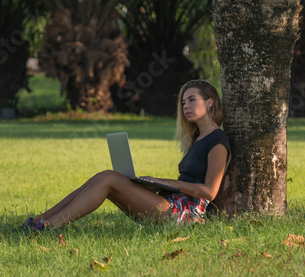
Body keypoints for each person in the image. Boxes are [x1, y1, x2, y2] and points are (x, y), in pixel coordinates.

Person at [17, 79, 231, 231]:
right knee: (104, 176)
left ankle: (48, 227)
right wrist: (154, 185)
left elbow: (209, 192)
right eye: (183, 102)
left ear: (210, 102)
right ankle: (39, 221)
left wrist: (162, 181)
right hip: (170, 203)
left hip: (184, 215)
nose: (186, 106)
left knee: (109, 178)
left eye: (192, 100)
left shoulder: (217, 140)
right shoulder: (197, 139)